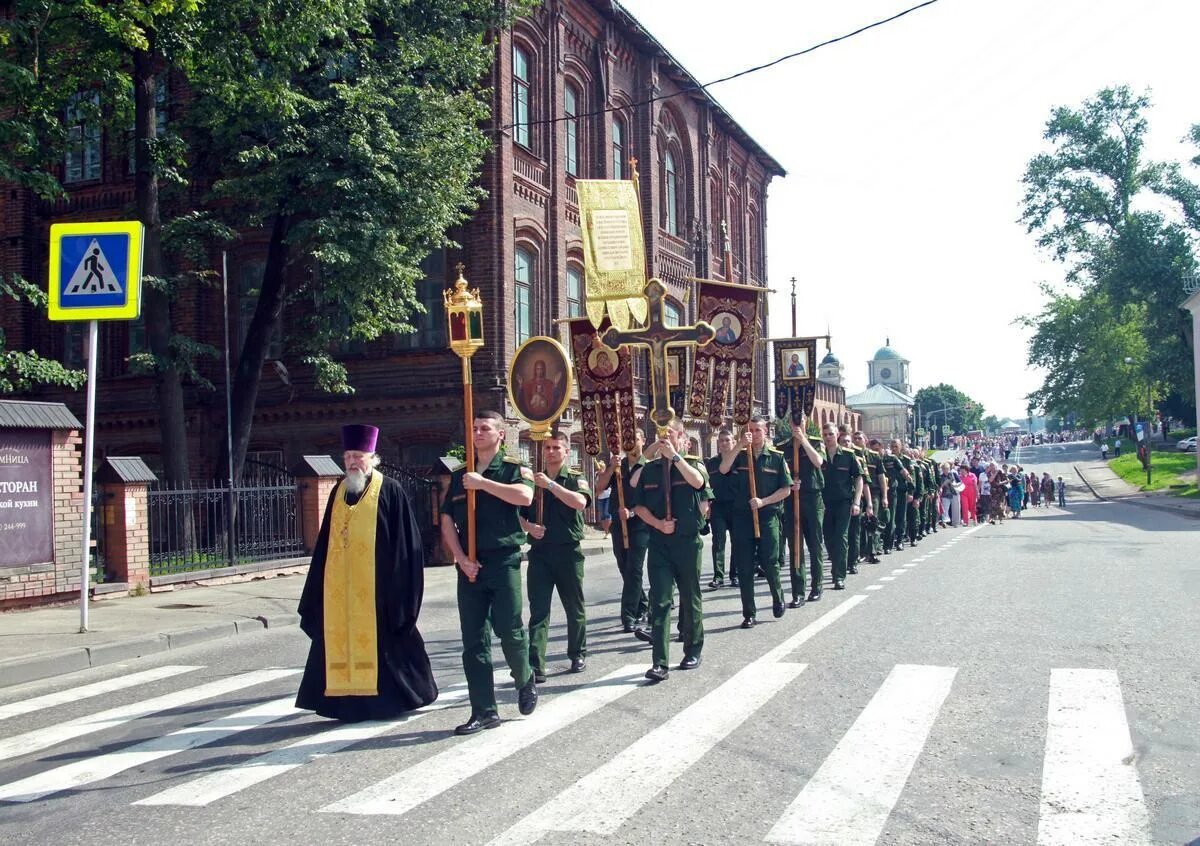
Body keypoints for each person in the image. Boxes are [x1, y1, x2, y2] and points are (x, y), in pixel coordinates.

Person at [296, 424, 437, 722]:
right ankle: (345, 705)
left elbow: (406, 547)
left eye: (358, 456)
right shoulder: (337, 491)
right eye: (348, 456)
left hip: (378, 594)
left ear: (373, 457)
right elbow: (324, 545)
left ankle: (386, 702)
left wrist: (400, 595)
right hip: (341, 596)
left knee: (385, 647)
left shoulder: (390, 490)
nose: (352, 462)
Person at [440, 410, 538, 735]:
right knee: (474, 641)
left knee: (509, 630)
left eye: (485, 428)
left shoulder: (512, 469)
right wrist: (459, 558)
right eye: (475, 428)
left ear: (500, 435)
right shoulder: (459, 475)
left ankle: (524, 678)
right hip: (470, 566)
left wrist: (483, 484)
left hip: (504, 560)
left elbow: (525, 496)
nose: (479, 433)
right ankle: (484, 710)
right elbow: (446, 521)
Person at [631, 419, 710, 681]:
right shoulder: (650, 470)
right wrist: (657, 524)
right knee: (661, 601)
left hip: (686, 542)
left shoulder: (691, 463)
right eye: (661, 435)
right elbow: (638, 505)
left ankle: (692, 649)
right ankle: (660, 662)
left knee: (690, 597)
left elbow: (698, 483)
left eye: (670, 434)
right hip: (659, 544)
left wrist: (675, 457)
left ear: (681, 437)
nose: (665, 439)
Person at [521, 431, 591, 682]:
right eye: (547, 448)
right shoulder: (532, 479)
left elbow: (580, 503)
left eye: (556, 448)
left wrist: (550, 485)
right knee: (539, 610)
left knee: (574, 606)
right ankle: (536, 662)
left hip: (568, 552)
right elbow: (518, 511)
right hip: (539, 553)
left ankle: (577, 653)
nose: (550, 452)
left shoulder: (574, 477)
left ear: (566, 451)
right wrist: (528, 527)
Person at [721, 415, 793, 627]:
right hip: (742, 516)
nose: (753, 433)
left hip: (767, 515)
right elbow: (724, 468)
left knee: (770, 562)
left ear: (766, 432)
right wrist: (740, 445)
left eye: (758, 430)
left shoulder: (777, 458)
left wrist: (763, 501)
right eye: (749, 430)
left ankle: (778, 597)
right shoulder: (741, 456)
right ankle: (748, 613)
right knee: (744, 566)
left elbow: (786, 489)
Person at [596, 430, 649, 633]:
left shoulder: (649, 466)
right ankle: (642, 605)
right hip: (619, 523)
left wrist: (634, 512)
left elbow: (653, 498)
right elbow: (599, 488)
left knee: (634, 569)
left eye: (636, 439)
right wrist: (611, 467)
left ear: (643, 441)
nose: (632, 444)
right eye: (629, 440)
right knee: (624, 566)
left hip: (641, 524)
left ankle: (628, 616)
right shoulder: (620, 466)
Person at [777, 414, 826, 605]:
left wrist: (803, 440)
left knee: (815, 544)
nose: (797, 425)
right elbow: (781, 475)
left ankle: (816, 586)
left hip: (812, 499)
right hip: (792, 500)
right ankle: (798, 591)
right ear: (789, 424)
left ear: (806, 422)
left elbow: (818, 462)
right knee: (795, 546)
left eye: (801, 421)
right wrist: (790, 484)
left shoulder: (815, 442)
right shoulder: (783, 447)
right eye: (794, 422)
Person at [821, 421, 862, 591]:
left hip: (844, 503)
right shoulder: (819, 456)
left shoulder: (848, 455)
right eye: (825, 434)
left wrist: (857, 502)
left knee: (841, 537)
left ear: (837, 434)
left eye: (831, 434)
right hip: (824, 504)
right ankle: (835, 563)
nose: (828, 437)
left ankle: (839, 576)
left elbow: (859, 479)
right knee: (829, 538)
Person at [705, 427, 736, 589]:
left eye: (727, 440)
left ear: (733, 442)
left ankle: (735, 574)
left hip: (736, 506)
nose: (724, 444)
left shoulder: (740, 460)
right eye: (721, 441)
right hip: (718, 507)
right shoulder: (711, 463)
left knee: (738, 541)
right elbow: (707, 486)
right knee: (718, 542)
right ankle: (718, 576)